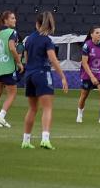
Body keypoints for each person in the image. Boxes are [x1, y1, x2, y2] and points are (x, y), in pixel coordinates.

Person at [20, 11, 68, 150]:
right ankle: (45, 139)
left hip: (29, 74)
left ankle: (26, 140)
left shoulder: (29, 39)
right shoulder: (47, 40)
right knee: (47, 108)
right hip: (42, 73)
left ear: (37, 23)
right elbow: (53, 59)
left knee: (32, 108)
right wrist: (63, 77)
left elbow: (26, 59)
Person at [0, 11, 22, 128]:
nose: (15, 20)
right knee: (12, 93)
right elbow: (12, 48)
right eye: (12, 18)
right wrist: (19, 62)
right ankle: (1, 116)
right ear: (5, 21)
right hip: (7, 67)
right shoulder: (13, 32)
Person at [76, 26, 100, 124]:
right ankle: (79, 114)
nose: (99, 34)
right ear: (91, 34)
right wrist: (91, 76)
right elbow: (84, 62)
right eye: (97, 32)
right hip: (88, 74)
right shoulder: (87, 46)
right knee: (84, 96)